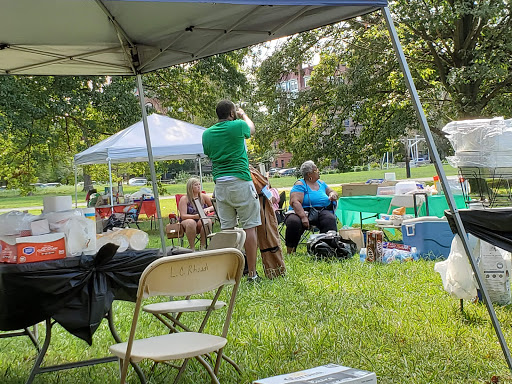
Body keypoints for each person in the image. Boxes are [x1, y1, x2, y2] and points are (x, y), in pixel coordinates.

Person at [202, 100, 261, 281]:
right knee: (249, 227)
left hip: (220, 185)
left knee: (228, 230)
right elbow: (251, 129)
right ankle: (252, 273)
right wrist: (243, 115)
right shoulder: (238, 125)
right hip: (241, 182)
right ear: (232, 113)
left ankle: (229, 274)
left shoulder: (207, 134)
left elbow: (209, 155)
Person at [285, 160, 338, 254]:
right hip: (301, 211)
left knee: (329, 219)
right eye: (316, 170)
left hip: (321, 210)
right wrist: (303, 217)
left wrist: (332, 194)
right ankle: (291, 251)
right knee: (293, 222)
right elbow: (295, 202)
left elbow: (331, 191)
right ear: (310, 174)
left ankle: (327, 249)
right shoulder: (300, 184)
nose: (318, 171)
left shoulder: (321, 183)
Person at [178, 178, 215, 250]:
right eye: (196, 185)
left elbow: (214, 206)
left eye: (199, 184)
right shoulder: (184, 199)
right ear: (190, 187)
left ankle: (202, 246)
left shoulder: (203, 196)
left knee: (207, 221)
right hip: (188, 220)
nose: (198, 186)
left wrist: (208, 209)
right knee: (191, 222)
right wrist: (195, 216)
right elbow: (183, 216)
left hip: (201, 219)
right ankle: (192, 248)